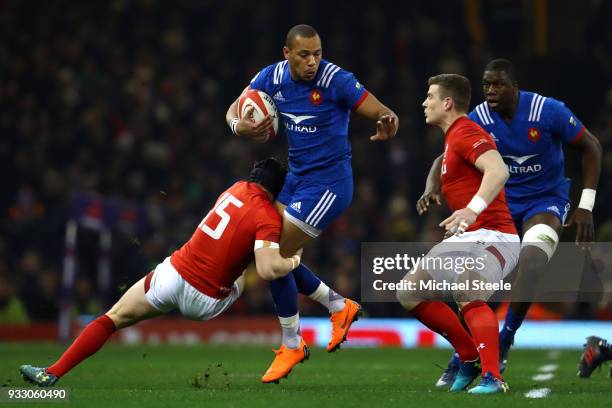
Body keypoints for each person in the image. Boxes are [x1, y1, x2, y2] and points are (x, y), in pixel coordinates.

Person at [20, 158, 302, 386]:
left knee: (112, 317)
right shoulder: (266, 216)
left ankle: (52, 372)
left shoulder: (234, 188)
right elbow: (267, 270)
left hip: (173, 274)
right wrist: (293, 260)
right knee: (253, 263)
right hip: (204, 300)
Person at [226, 24, 399, 383]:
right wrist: (237, 127)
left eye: (317, 53)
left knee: (270, 256)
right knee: (266, 254)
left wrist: (387, 120)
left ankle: (293, 342)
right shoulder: (270, 77)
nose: (313, 61)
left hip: (329, 186)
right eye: (305, 54)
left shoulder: (335, 79)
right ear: (286, 53)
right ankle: (338, 306)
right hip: (295, 180)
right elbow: (235, 109)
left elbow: (379, 109)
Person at [420, 59, 602, 386]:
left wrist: (586, 205)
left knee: (532, 261)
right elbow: (445, 154)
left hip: (545, 201)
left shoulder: (549, 111)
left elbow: (591, 146)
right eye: (486, 84)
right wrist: (431, 184)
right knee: (469, 281)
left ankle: (505, 337)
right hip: (500, 205)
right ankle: (469, 353)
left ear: (513, 86)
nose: (490, 91)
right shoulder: (479, 117)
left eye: (498, 85)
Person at [397, 74, 519, 394]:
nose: (425, 102)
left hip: (495, 234)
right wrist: (431, 188)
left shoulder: (465, 131)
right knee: (409, 291)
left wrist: (471, 209)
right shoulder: (452, 138)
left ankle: (494, 377)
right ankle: (468, 357)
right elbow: (442, 165)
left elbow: (499, 170)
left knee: (468, 290)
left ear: (447, 103)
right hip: (467, 238)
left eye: (430, 96)